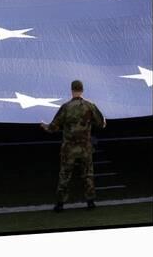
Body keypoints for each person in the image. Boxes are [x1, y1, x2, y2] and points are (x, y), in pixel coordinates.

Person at [41, 80, 106, 212]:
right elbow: (101, 124)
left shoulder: (66, 107)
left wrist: (44, 126)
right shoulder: (90, 106)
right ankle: (90, 202)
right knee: (88, 174)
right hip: (85, 148)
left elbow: (53, 127)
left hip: (68, 149)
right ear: (82, 90)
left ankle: (60, 204)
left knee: (65, 175)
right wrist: (103, 121)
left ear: (72, 90)